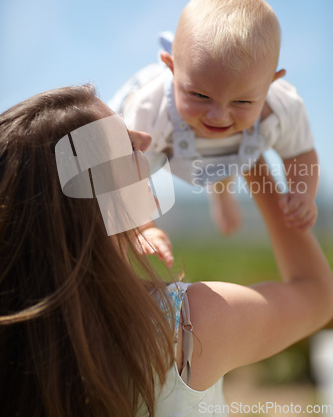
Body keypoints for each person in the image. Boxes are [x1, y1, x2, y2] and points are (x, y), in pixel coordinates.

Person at [1, 84, 332, 417]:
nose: (145, 139)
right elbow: (318, 294)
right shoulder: (192, 327)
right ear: (93, 196)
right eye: (126, 142)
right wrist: (246, 149)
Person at [111, 0, 319, 256]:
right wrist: (143, 227)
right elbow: (124, 174)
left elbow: (300, 153)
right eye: (199, 95)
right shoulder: (149, 110)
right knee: (106, 170)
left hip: (223, 156)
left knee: (225, 157)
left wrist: (303, 193)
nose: (218, 116)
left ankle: (221, 193)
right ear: (171, 68)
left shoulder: (282, 109)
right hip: (154, 146)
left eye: (242, 102)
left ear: (271, 83)